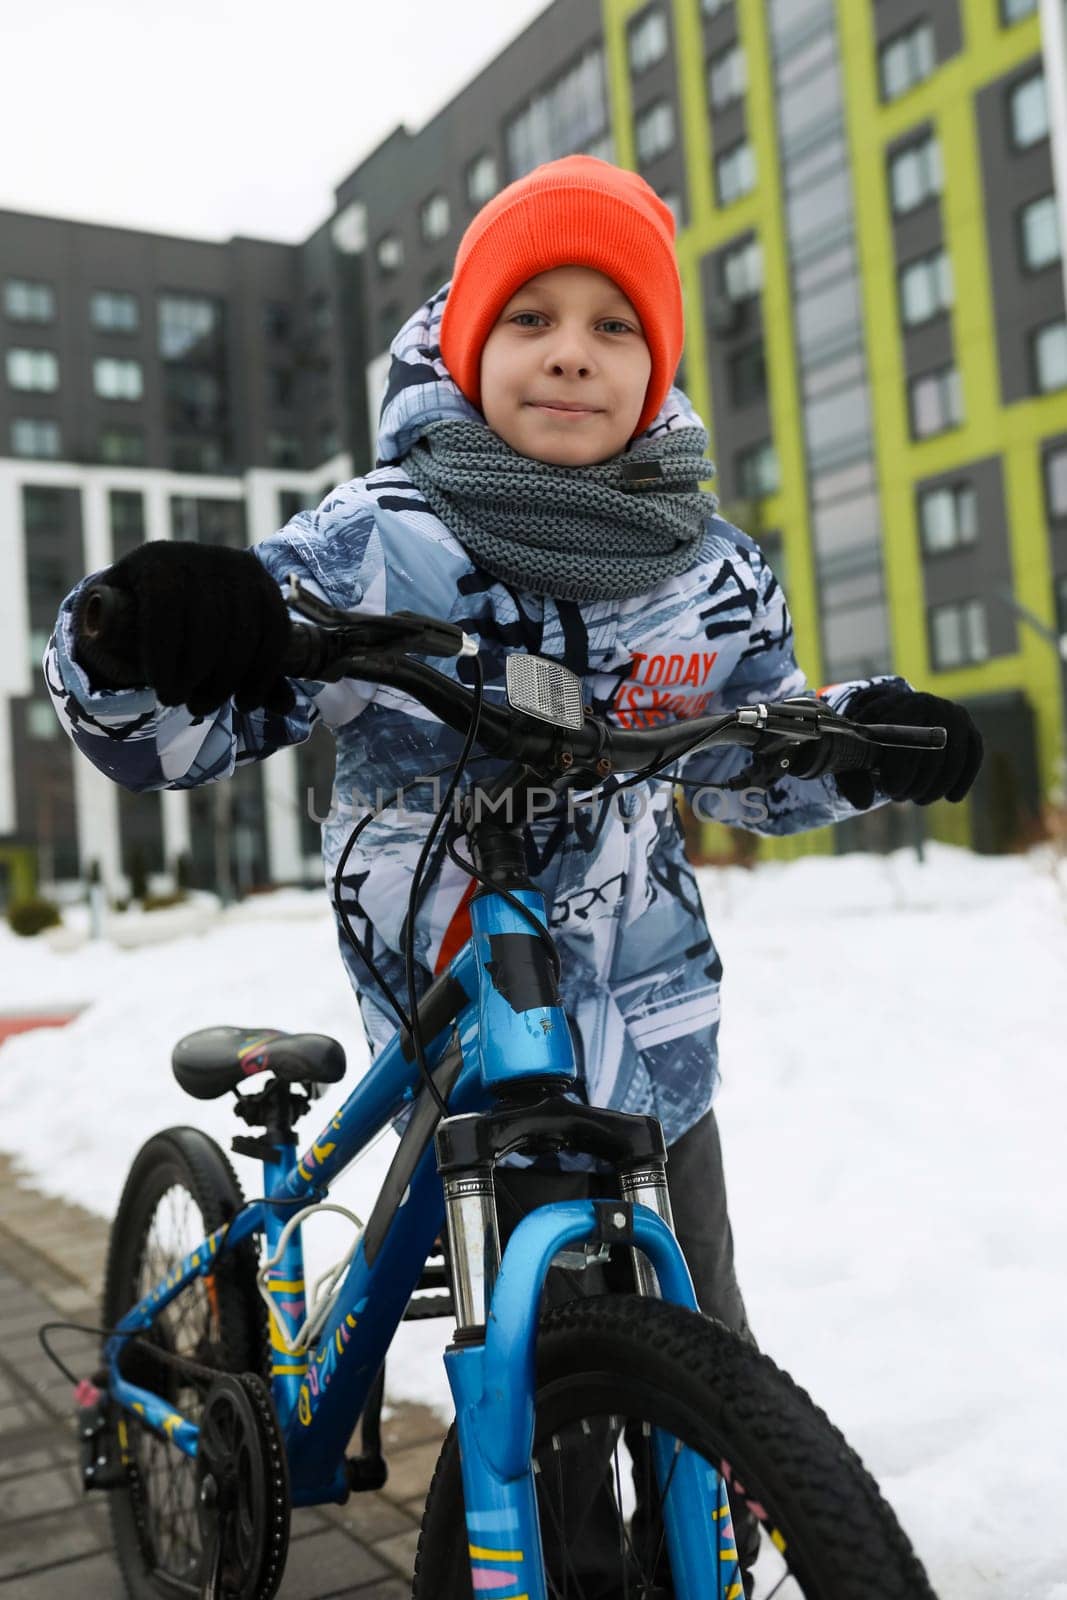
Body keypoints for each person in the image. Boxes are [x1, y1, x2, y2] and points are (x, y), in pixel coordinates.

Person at [47, 156, 982, 1589]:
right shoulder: (386, 540)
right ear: (470, 342)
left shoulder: (707, 568)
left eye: (616, 327)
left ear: (658, 363)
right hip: (460, 1004)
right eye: (532, 315)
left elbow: (753, 739)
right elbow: (183, 718)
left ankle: (713, 1537)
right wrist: (143, 636)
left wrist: (857, 740)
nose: (571, 351)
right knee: (535, 1391)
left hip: (650, 1028)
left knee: (707, 1349)